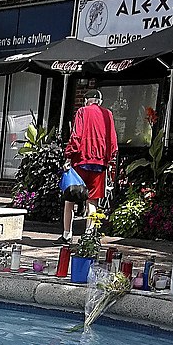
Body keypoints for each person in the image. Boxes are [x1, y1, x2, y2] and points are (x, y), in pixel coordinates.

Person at [62, 90, 117, 244]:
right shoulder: (108, 115)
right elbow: (112, 140)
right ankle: (88, 235)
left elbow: (76, 136)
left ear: (86, 100)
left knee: (70, 199)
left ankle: (67, 234)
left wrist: (68, 155)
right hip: (99, 163)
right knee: (92, 201)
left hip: (81, 160)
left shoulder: (82, 112)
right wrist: (109, 158)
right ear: (99, 101)